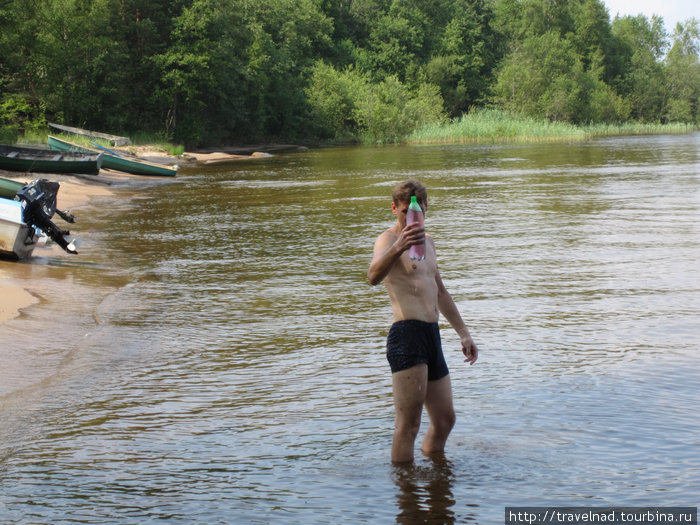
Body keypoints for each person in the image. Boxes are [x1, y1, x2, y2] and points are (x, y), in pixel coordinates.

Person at [368, 179, 478, 463]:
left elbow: (440, 290)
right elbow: (372, 277)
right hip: (407, 334)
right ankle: (407, 497)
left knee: (445, 419)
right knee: (409, 426)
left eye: (416, 213)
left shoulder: (428, 242)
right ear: (394, 209)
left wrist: (464, 334)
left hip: (432, 335)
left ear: (426, 209)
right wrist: (398, 248)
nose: (410, 219)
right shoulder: (388, 240)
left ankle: (435, 475)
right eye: (405, 212)